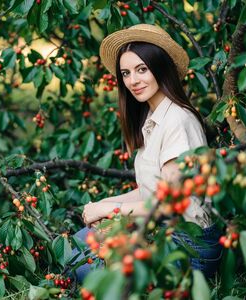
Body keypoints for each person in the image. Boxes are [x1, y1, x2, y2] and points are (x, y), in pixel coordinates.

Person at [72, 24, 222, 282]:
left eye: (142, 69)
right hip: (161, 227)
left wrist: (112, 211)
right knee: (76, 246)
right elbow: (152, 190)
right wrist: (103, 206)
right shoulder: (153, 117)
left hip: (189, 244)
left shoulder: (177, 121)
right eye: (126, 73)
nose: (132, 81)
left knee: (87, 271)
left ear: (160, 67)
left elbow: (172, 203)